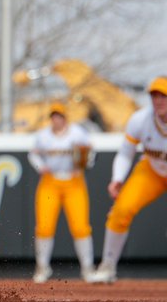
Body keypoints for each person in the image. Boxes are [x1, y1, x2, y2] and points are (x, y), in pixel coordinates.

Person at [90, 75, 167, 283]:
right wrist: (117, 178)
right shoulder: (140, 119)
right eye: (154, 96)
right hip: (152, 170)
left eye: (163, 96)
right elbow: (126, 153)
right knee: (121, 210)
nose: (158, 100)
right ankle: (107, 267)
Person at [28, 102, 96, 283]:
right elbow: (33, 154)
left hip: (74, 182)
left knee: (81, 227)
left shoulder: (77, 133)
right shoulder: (43, 136)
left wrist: (84, 164)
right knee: (44, 226)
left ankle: (87, 268)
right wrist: (40, 166)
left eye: (59, 116)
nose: (56, 120)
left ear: (65, 118)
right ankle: (42, 267)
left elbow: (90, 152)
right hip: (50, 182)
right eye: (54, 116)